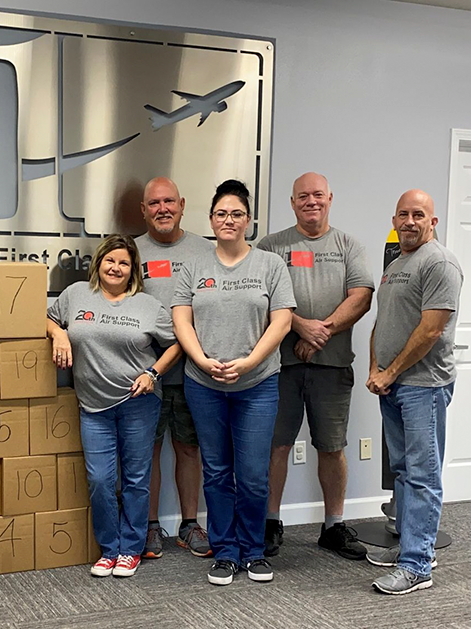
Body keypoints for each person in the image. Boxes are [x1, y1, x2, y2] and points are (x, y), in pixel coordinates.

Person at [172, 179, 295, 585]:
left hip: (257, 383)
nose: (229, 220)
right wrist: (203, 361)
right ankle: (225, 551)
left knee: (254, 473)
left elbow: (282, 321)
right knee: (217, 471)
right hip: (204, 384)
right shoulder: (193, 266)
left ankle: (253, 550)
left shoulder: (270, 265)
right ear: (211, 219)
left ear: (249, 221)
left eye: (237, 213)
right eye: (221, 213)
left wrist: (248, 362)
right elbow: (181, 319)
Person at [47, 234, 180, 578]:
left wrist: (153, 372)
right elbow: (48, 318)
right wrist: (59, 334)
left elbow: (175, 345)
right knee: (101, 480)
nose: (116, 268)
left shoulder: (148, 306)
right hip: (93, 406)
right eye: (110, 260)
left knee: (136, 479)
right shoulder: (76, 294)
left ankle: (131, 550)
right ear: (99, 263)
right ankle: (109, 549)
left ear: (133, 269)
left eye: (124, 263)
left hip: (138, 402)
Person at [257, 172, 374, 560]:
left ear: (329, 198)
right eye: (303, 196)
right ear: (292, 202)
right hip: (280, 365)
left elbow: (361, 297)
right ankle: (271, 523)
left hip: (333, 366)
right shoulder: (271, 246)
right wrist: (301, 328)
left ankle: (333, 527)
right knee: (276, 445)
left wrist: (321, 332)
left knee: (332, 446)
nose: (311, 201)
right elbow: (262, 299)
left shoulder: (348, 245)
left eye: (318, 195)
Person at [366, 189, 462, 595]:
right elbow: (383, 320)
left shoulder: (439, 262)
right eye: (403, 214)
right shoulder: (398, 263)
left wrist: (390, 371)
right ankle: (411, 545)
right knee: (404, 471)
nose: (409, 221)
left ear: (432, 221)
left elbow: (431, 330)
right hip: (394, 384)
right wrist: (374, 367)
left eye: (418, 214)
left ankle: (418, 565)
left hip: (423, 386)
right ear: (394, 220)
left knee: (423, 475)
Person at [135, 177, 215, 560]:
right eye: (154, 203)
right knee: (146, 451)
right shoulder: (131, 253)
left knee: (188, 448)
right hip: (144, 373)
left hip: (194, 373)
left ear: (182, 205)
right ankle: (150, 526)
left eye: (169, 201)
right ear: (143, 210)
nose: (162, 208)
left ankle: (188, 524)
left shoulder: (205, 249)